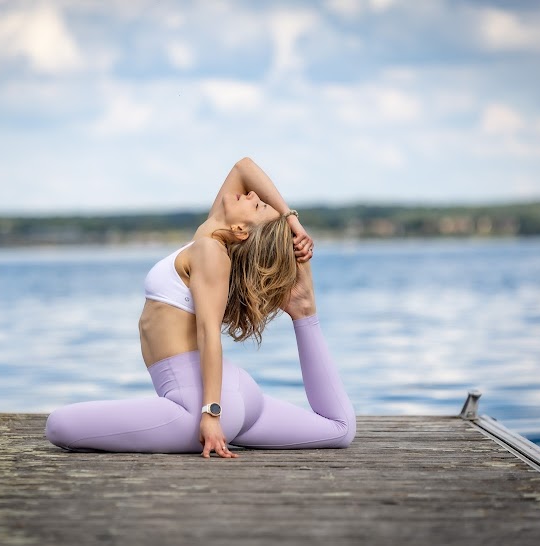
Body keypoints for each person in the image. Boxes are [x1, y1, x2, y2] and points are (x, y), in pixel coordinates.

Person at [45, 157, 356, 458]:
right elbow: (244, 167)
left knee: (59, 425)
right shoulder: (207, 236)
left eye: (257, 205)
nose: (252, 194)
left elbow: (208, 333)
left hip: (198, 408)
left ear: (241, 230)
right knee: (338, 430)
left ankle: (303, 310)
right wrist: (291, 218)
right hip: (237, 392)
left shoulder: (210, 250)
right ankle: (304, 311)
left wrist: (211, 414)